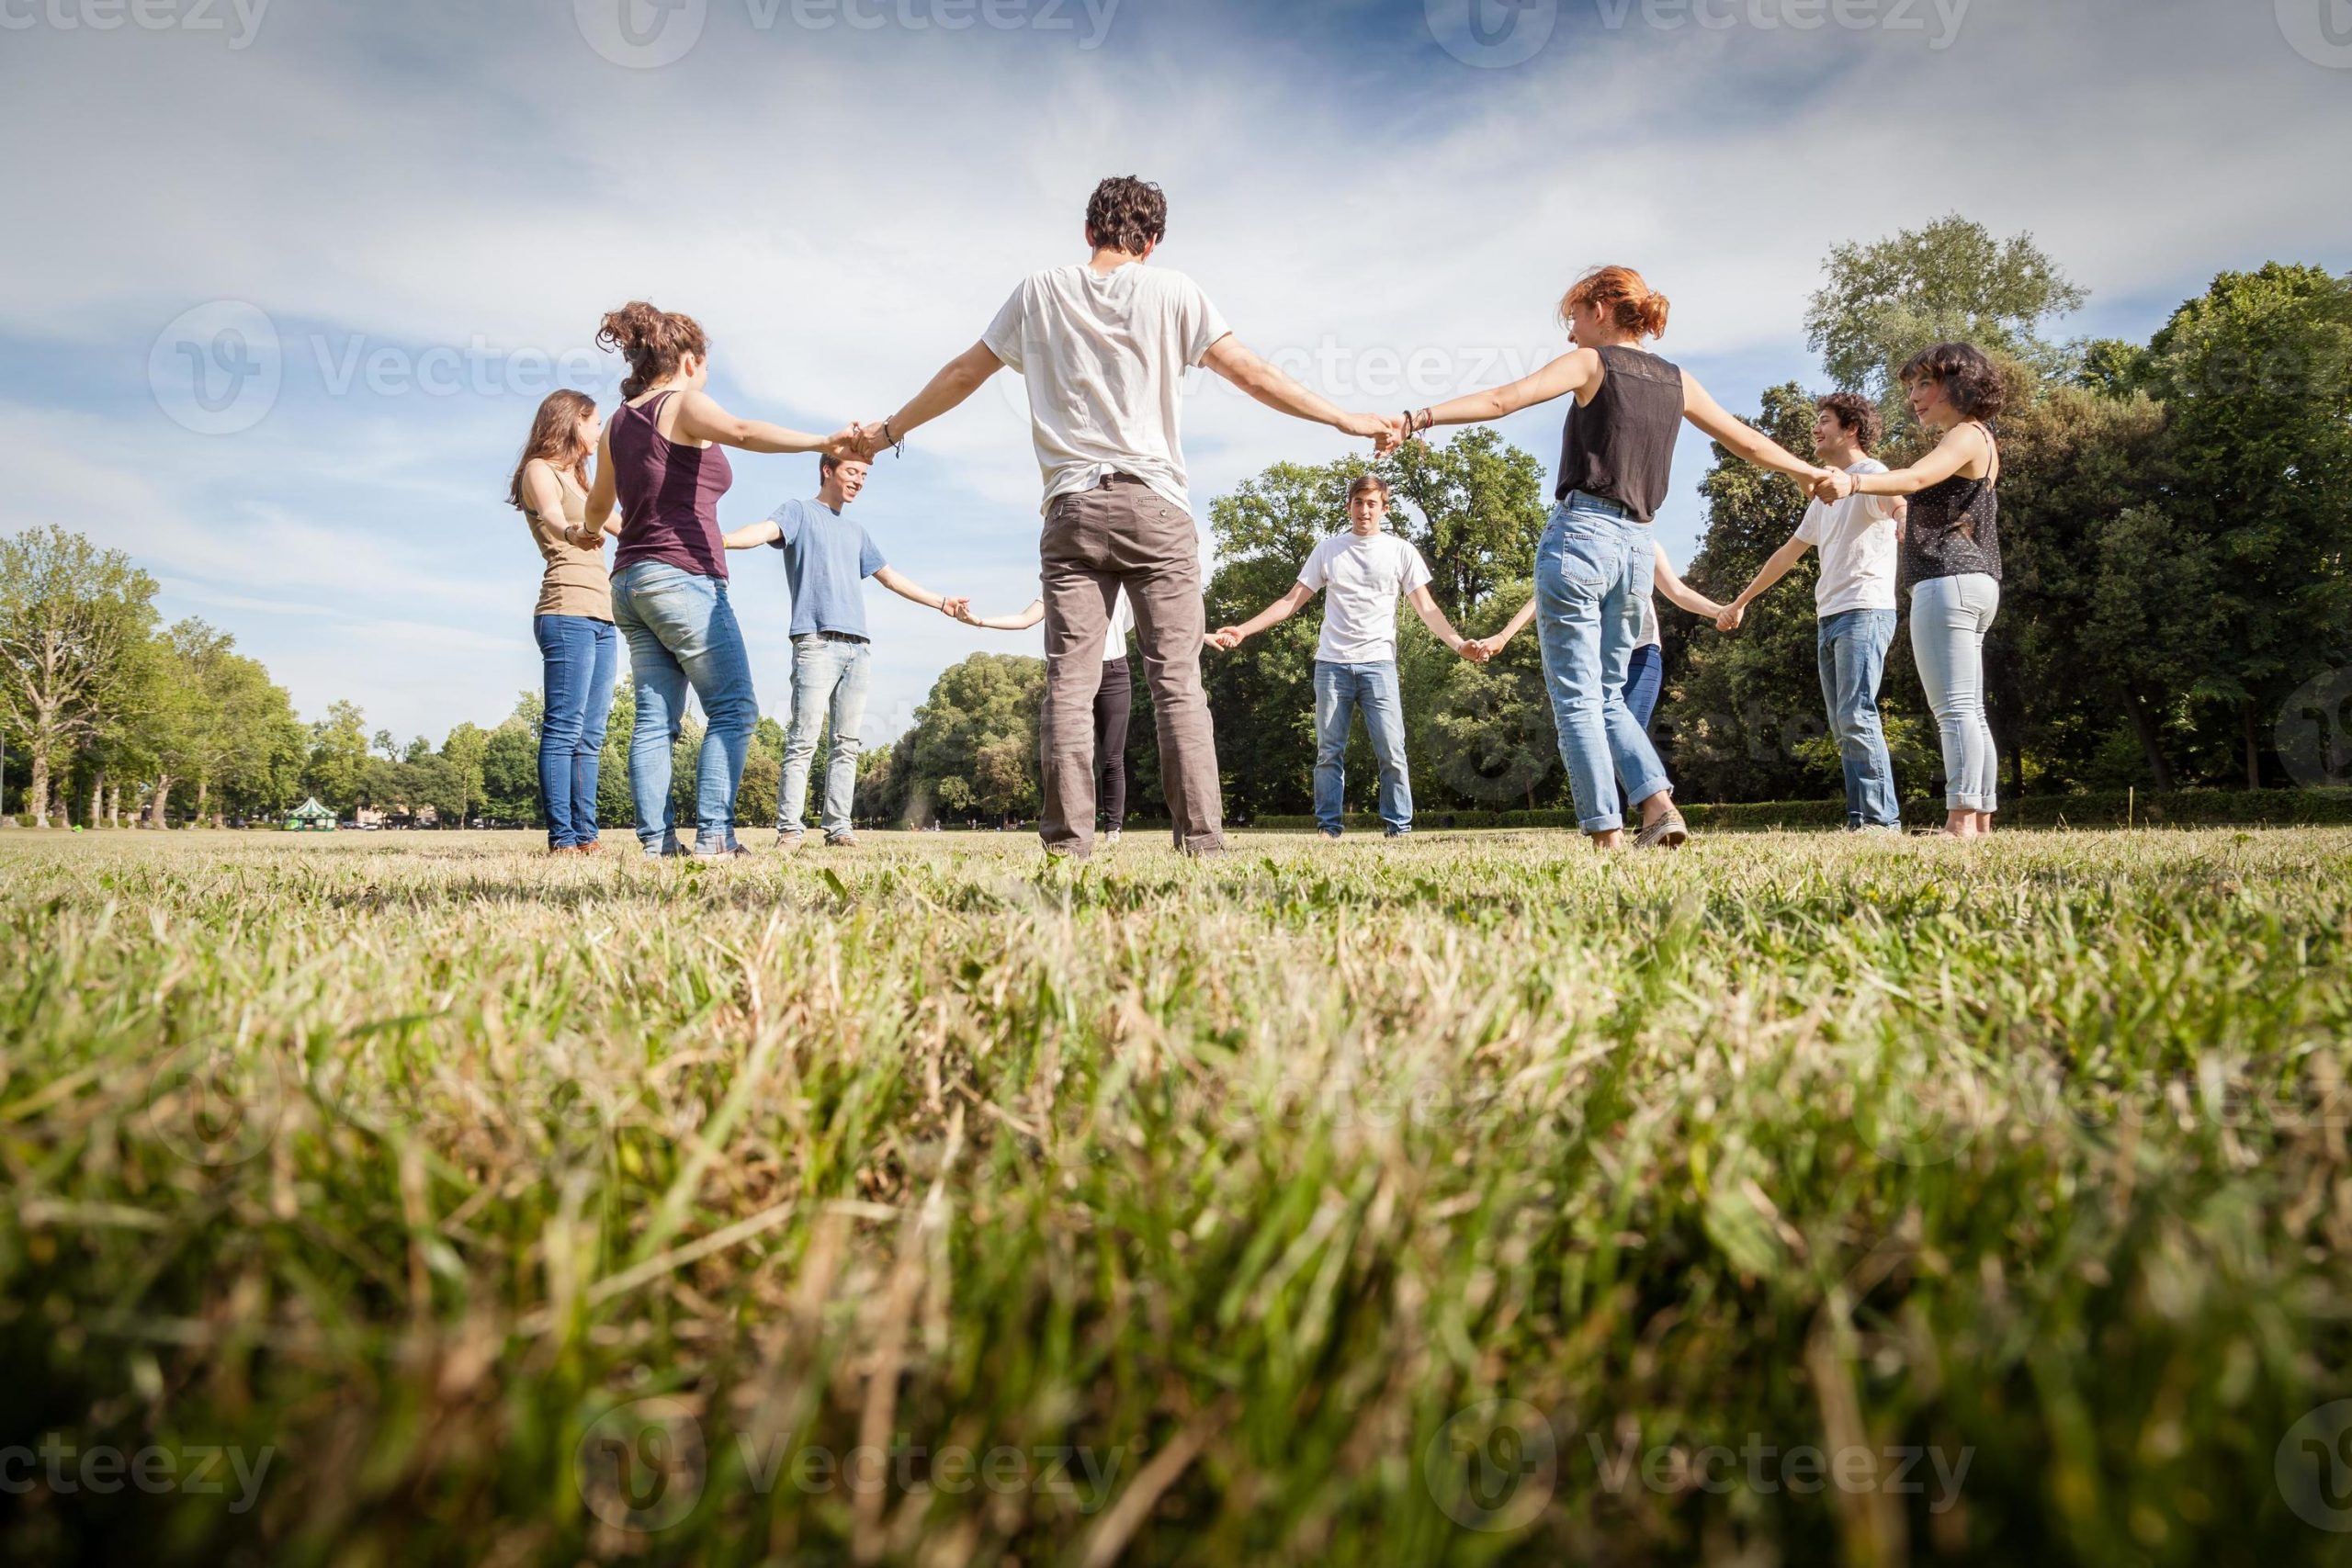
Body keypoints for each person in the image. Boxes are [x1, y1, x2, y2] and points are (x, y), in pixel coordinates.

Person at [842, 175, 1393, 860]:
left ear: (1087, 231)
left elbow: (962, 373)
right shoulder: (1175, 291)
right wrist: (1345, 417)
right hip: (1158, 507)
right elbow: (1251, 373)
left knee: (1068, 686)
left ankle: (1068, 845)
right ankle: (1201, 843)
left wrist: (883, 432)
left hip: (1071, 510)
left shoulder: (1038, 291)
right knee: (1177, 682)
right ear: (1152, 241)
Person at [1385, 265, 1835, 849]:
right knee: (1604, 694)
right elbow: (1744, 440)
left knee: (1576, 695)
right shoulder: (1680, 380)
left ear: (1600, 307)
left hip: (1581, 537)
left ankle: (1606, 837)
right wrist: (1810, 472)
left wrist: (1417, 417)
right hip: (1637, 548)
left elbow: (1502, 399)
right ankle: (1660, 806)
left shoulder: (1593, 363)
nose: (1570, 333)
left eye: (1573, 316)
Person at [585, 302, 855, 859]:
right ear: (689, 360)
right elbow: (742, 431)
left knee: (655, 720)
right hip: (683, 576)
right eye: (705, 365)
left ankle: (658, 846)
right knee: (733, 708)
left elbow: (597, 506)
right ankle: (714, 837)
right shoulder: (681, 403)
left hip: (630, 582)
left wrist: (585, 530)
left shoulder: (618, 421)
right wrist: (822, 442)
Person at [721, 455, 969, 851]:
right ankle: (790, 829)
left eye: (865, 475)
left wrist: (942, 602)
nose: (859, 481)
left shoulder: (856, 531)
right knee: (803, 739)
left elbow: (891, 579)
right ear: (827, 470)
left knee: (847, 743)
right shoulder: (798, 512)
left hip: (858, 648)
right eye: (852, 472)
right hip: (815, 642)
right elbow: (763, 531)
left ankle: (838, 828)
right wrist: (722, 539)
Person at [1211, 474, 1470, 839]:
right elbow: (1290, 602)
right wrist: (1243, 629)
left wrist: (1459, 644)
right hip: (1332, 665)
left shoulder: (1401, 551)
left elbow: (1427, 609)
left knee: (1392, 752)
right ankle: (1328, 829)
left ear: (1384, 508)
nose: (1364, 510)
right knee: (1328, 754)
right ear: (1348, 506)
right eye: (1358, 502)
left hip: (1379, 664)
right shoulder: (1328, 550)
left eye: (1372, 503)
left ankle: (1399, 829)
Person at [1832, 342, 2006, 840]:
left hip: (1946, 580)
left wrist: (1853, 485)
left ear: (1959, 383)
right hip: (1975, 581)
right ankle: (1980, 821)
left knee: (1953, 708)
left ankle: (1959, 823)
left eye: (1924, 384)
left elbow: (1916, 477)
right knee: (1970, 708)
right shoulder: (1982, 438)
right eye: (1911, 387)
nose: (1914, 396)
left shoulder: (1966, 433)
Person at [1714, 393, 1908, 831]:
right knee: (1844, 726)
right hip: (1831, 614)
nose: (1815, 429)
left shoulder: (1871, 474)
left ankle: (1882, 822)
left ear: (1851, 428)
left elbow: (1898, 499)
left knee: (1857, 714)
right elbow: (1787, 554)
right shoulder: (1825, 494)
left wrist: (1900, 517)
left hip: (1865, 608)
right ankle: (1862, 821)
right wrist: (1740, 601)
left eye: (1824, 421)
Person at [1464, 540, 1727, 731]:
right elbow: (1544, 597)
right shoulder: (1586, 547)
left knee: (1627, 736)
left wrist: (1719, 611)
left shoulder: (1648, 547)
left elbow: (1678, 593)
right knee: (1599, 744)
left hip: (1641, 656)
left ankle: (1655, 803)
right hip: (1596, 663)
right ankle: (1625, 808)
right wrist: (1502, 636)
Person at [511, 389, 619, 854]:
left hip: (603, 615)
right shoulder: (540, 469)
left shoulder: (582, 480)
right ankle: (562, 838)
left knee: (591, 733)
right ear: (574, 421)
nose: (600, 432)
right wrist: (574, 530)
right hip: (565, 609)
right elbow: (555, 518)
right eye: (595, 423)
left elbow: (622, 524)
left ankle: (587, 835)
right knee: (563, 727)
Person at [954, 586, 1139, 847]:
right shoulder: (1061, 580)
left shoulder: (1120, 584)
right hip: (1072, 671)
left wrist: (1199, 635)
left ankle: (1113, 831)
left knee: (1111, 756)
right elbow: (1024, 619)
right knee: (1070, 753)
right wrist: (980, 621)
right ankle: (1072, 827)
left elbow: (1150, 621)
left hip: (1114, 671)